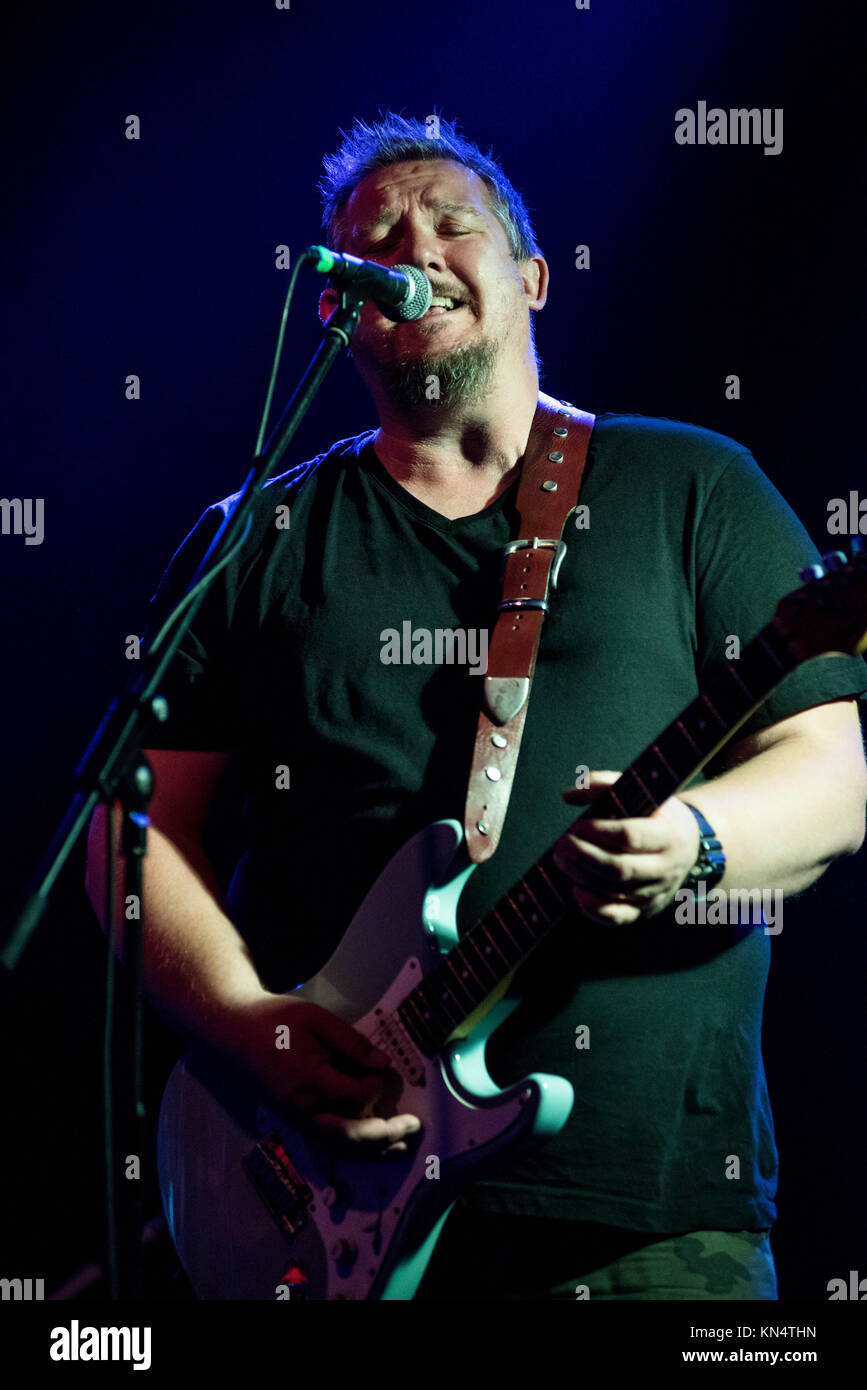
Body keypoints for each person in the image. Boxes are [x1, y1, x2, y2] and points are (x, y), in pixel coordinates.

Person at [86, 113, 867, 1300]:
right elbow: (125, 833)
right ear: (337, 307)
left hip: (641, 1215)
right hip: (325, 1201)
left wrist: (696, 843)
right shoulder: (257, 538)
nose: (418, 244)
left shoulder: (692, 485)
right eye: (379, 236)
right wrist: (256, 1023)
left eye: (456, 223)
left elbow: (834, 775)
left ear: (533, 279)